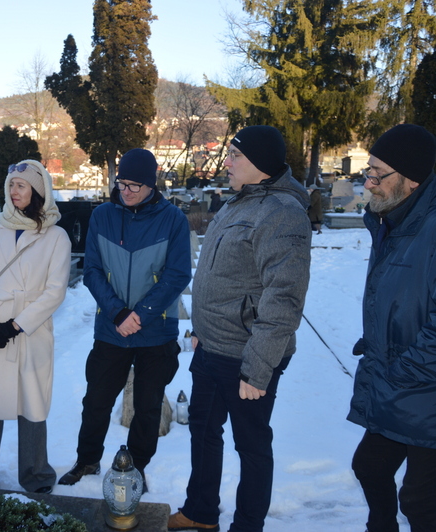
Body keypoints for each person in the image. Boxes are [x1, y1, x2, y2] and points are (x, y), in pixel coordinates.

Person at [348, 124, 436, 532]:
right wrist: (378, 344)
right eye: (368, 172)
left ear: (410, 179)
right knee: (370, 467)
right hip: (397, 384)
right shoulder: (392, 222)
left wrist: (405, 369)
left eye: (378, 174)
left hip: (435, 393)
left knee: (420, 502)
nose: (369, 183)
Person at [168, 126, 311, 532]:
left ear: (260, 164)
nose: (227, 162)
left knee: (251, 445)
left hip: (247, 356)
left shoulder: (281, 213)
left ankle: (248, 526)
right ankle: (200, 512)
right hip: (212, 348)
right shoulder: (239, 203)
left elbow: (284, 298)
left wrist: (258, 368)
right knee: (202, 431)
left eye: (236, 156)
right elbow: (223, 278)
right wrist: (200, 329)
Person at [58, 148, 191, 492]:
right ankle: (87, 460)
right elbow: (91, 270)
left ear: (151, 185)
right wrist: (118, 313)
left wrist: (140, 316)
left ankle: (135, 467)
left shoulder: (173, 219)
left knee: (147, 408)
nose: (126, 191)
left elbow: (178, 275)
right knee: (96, 402)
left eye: (134, 185)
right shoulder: (102, 215)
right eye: (121, 183)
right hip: (111, 329)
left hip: (156, 332)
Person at [0, 160, 71, 494]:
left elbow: (55, 291)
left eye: (21, 185)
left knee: (32, 402)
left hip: (31, 329)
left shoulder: (56, 237)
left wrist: (15, 326)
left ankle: (36, 474)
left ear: (38, 191)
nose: (14, 191)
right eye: (11, 184)